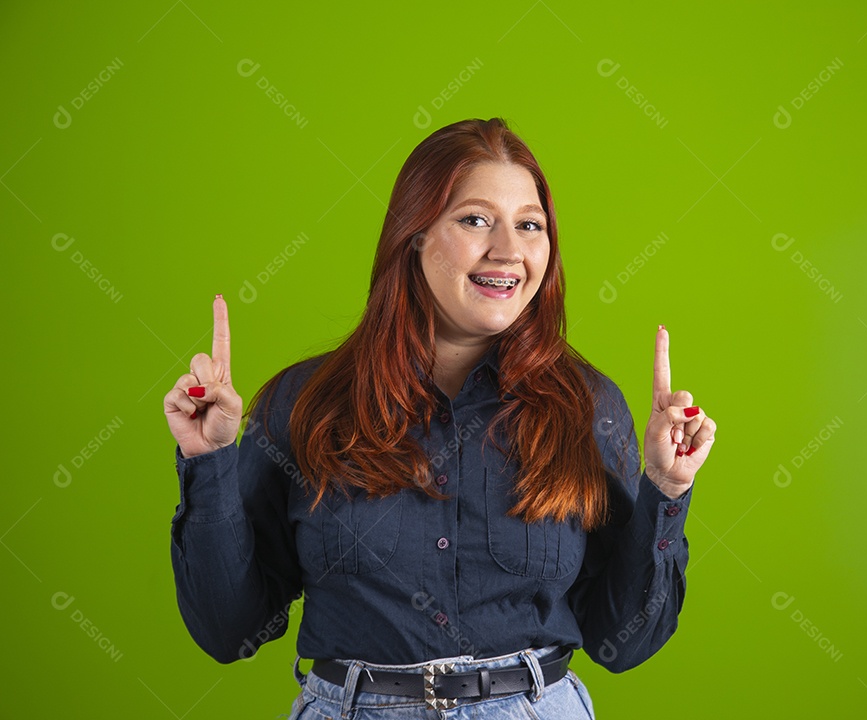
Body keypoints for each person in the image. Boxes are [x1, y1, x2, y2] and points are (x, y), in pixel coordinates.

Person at [163, 117, 716, 719]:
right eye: (475, 219)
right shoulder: (304, 405)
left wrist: (667, 488)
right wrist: (207, 461)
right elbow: (227, 630)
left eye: (529, 225)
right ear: (416, 234)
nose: (507, 250)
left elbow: (624, 641)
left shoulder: (586, 407)